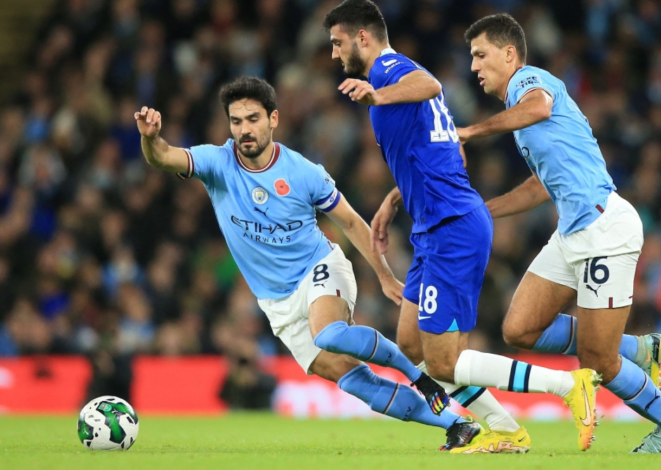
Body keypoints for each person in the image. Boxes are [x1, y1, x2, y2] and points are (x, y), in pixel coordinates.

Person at [136, 76, 482, 451]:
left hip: (320, 268)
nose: (244, 130)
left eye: (253, 119)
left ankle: (417, 375)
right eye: (236, 122)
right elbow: (163, 157)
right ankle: (456, 424)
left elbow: (350, 221)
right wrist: (150, 138)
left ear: (274, 119)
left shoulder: (303, 172)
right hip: (276, 301)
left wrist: (383, 275)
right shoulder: (217, 163)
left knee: (329, 333)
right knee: (352, 380)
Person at [324, 0, 599, 453]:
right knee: (411, 347)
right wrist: (395, 198)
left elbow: (429, 84)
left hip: (452, 225)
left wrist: (378, 95)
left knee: (444, 360)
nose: (334, 54)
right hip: (433, 226)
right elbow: (449, 149)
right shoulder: (390, 82)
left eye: (338, 43)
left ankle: (567, 385)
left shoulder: (391, 70)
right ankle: (507, 431)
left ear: (364, 37)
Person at [457, 13, 661, 453]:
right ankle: (639, 349)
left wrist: (471, 131)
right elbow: (539, 186)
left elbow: (540, 106)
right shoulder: (524, 116)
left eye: (480, 54)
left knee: (598, 361)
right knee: (520, 329)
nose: (473, 66)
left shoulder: (529, 83)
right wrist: (480, 213)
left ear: (509, 54)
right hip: (571, 233)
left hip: (605, 228)